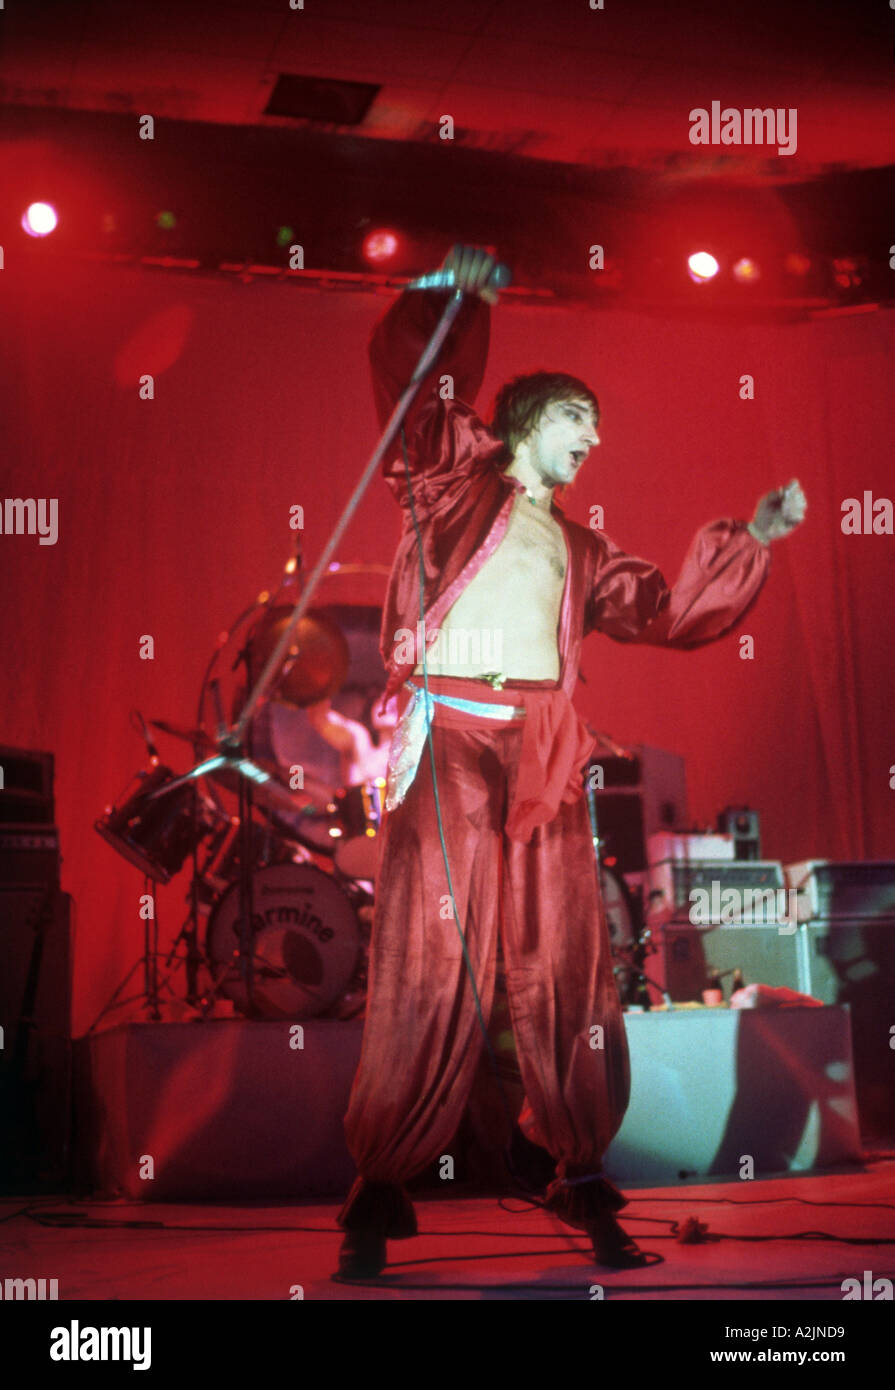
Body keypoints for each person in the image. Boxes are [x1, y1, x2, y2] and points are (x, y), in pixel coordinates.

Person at [335, 244, 807, 1278]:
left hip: (543, 753)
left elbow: (673, 611)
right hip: (452, 743)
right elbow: (417, 385)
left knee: (565, 968)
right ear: (524, 422)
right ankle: (377, 1188)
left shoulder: (584, 551)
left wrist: (752, 540)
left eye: (595, 427)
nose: (593, 438)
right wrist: (455, 302)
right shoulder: (451, 486)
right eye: (575, 419)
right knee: (433, 962)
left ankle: (583, 1178)